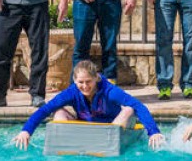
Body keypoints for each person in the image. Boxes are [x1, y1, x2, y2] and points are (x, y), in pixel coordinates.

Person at [13, 60, 164, 150]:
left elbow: (139, 106)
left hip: (112, 129)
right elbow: (45, 110)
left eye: (88, 82)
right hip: (87, 130)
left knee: (129, 108)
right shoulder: (71, 92)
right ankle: (67, 147)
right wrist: (26, 131)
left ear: (96, 78)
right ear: (74, 80)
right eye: (80, 82)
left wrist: (153, 131)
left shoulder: (110, 91)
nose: (85, 86)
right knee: (58, 111)